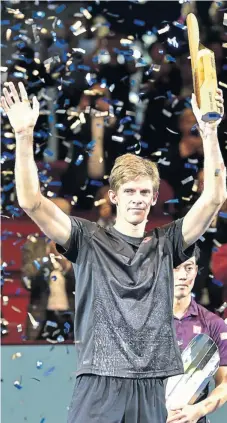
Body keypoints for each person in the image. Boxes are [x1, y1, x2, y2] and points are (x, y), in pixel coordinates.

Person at [1, 81, 226, 423]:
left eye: (144, 191)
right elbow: (31, 201)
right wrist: (24, 134)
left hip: (153, 384)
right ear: (115, 197)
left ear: (154, 198)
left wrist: (209, 131)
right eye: (130, 190)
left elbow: (213, 198)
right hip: (99, 380)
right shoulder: (86, 238)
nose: (137, 197)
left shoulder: (168, 243)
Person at [167, 254, 227, 423]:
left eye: (189, 268)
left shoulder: (213, 324)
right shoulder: (141, 320)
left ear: (196, 272)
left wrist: (199, 409)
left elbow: (225, 383)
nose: (183, 275)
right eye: (175, 268)